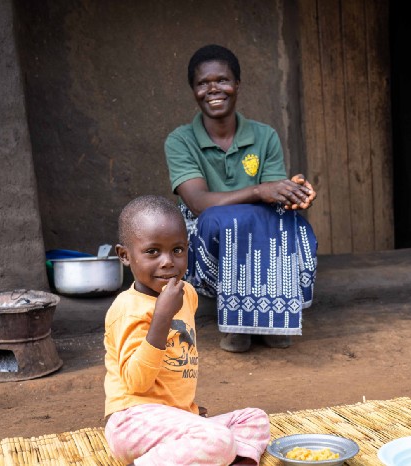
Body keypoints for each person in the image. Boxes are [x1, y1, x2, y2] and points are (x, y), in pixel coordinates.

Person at [164, 44, 318, 353]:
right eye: (203, 83)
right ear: (193, 90)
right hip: (208, 238)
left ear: (237, 85)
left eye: (221, 80)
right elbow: (198, 203)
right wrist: (259, 191)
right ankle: (237, 323)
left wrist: (294, 193)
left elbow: (275, 196)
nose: (213, 89)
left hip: (258, 227)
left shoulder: (264, 136)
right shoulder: (180, 140)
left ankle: (274, 317)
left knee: (294, 225)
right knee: (225, 221)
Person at [103, 195, 271, 465]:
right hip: (131, 422)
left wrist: (182, 414)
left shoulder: (187, 294)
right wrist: (161, 317)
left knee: (254, 420)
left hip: (173, 419)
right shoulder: (128, 308)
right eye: (152, 252)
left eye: (178, 250)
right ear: (125, 255)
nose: (168, 262)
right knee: (218, 440)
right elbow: (137, 383)